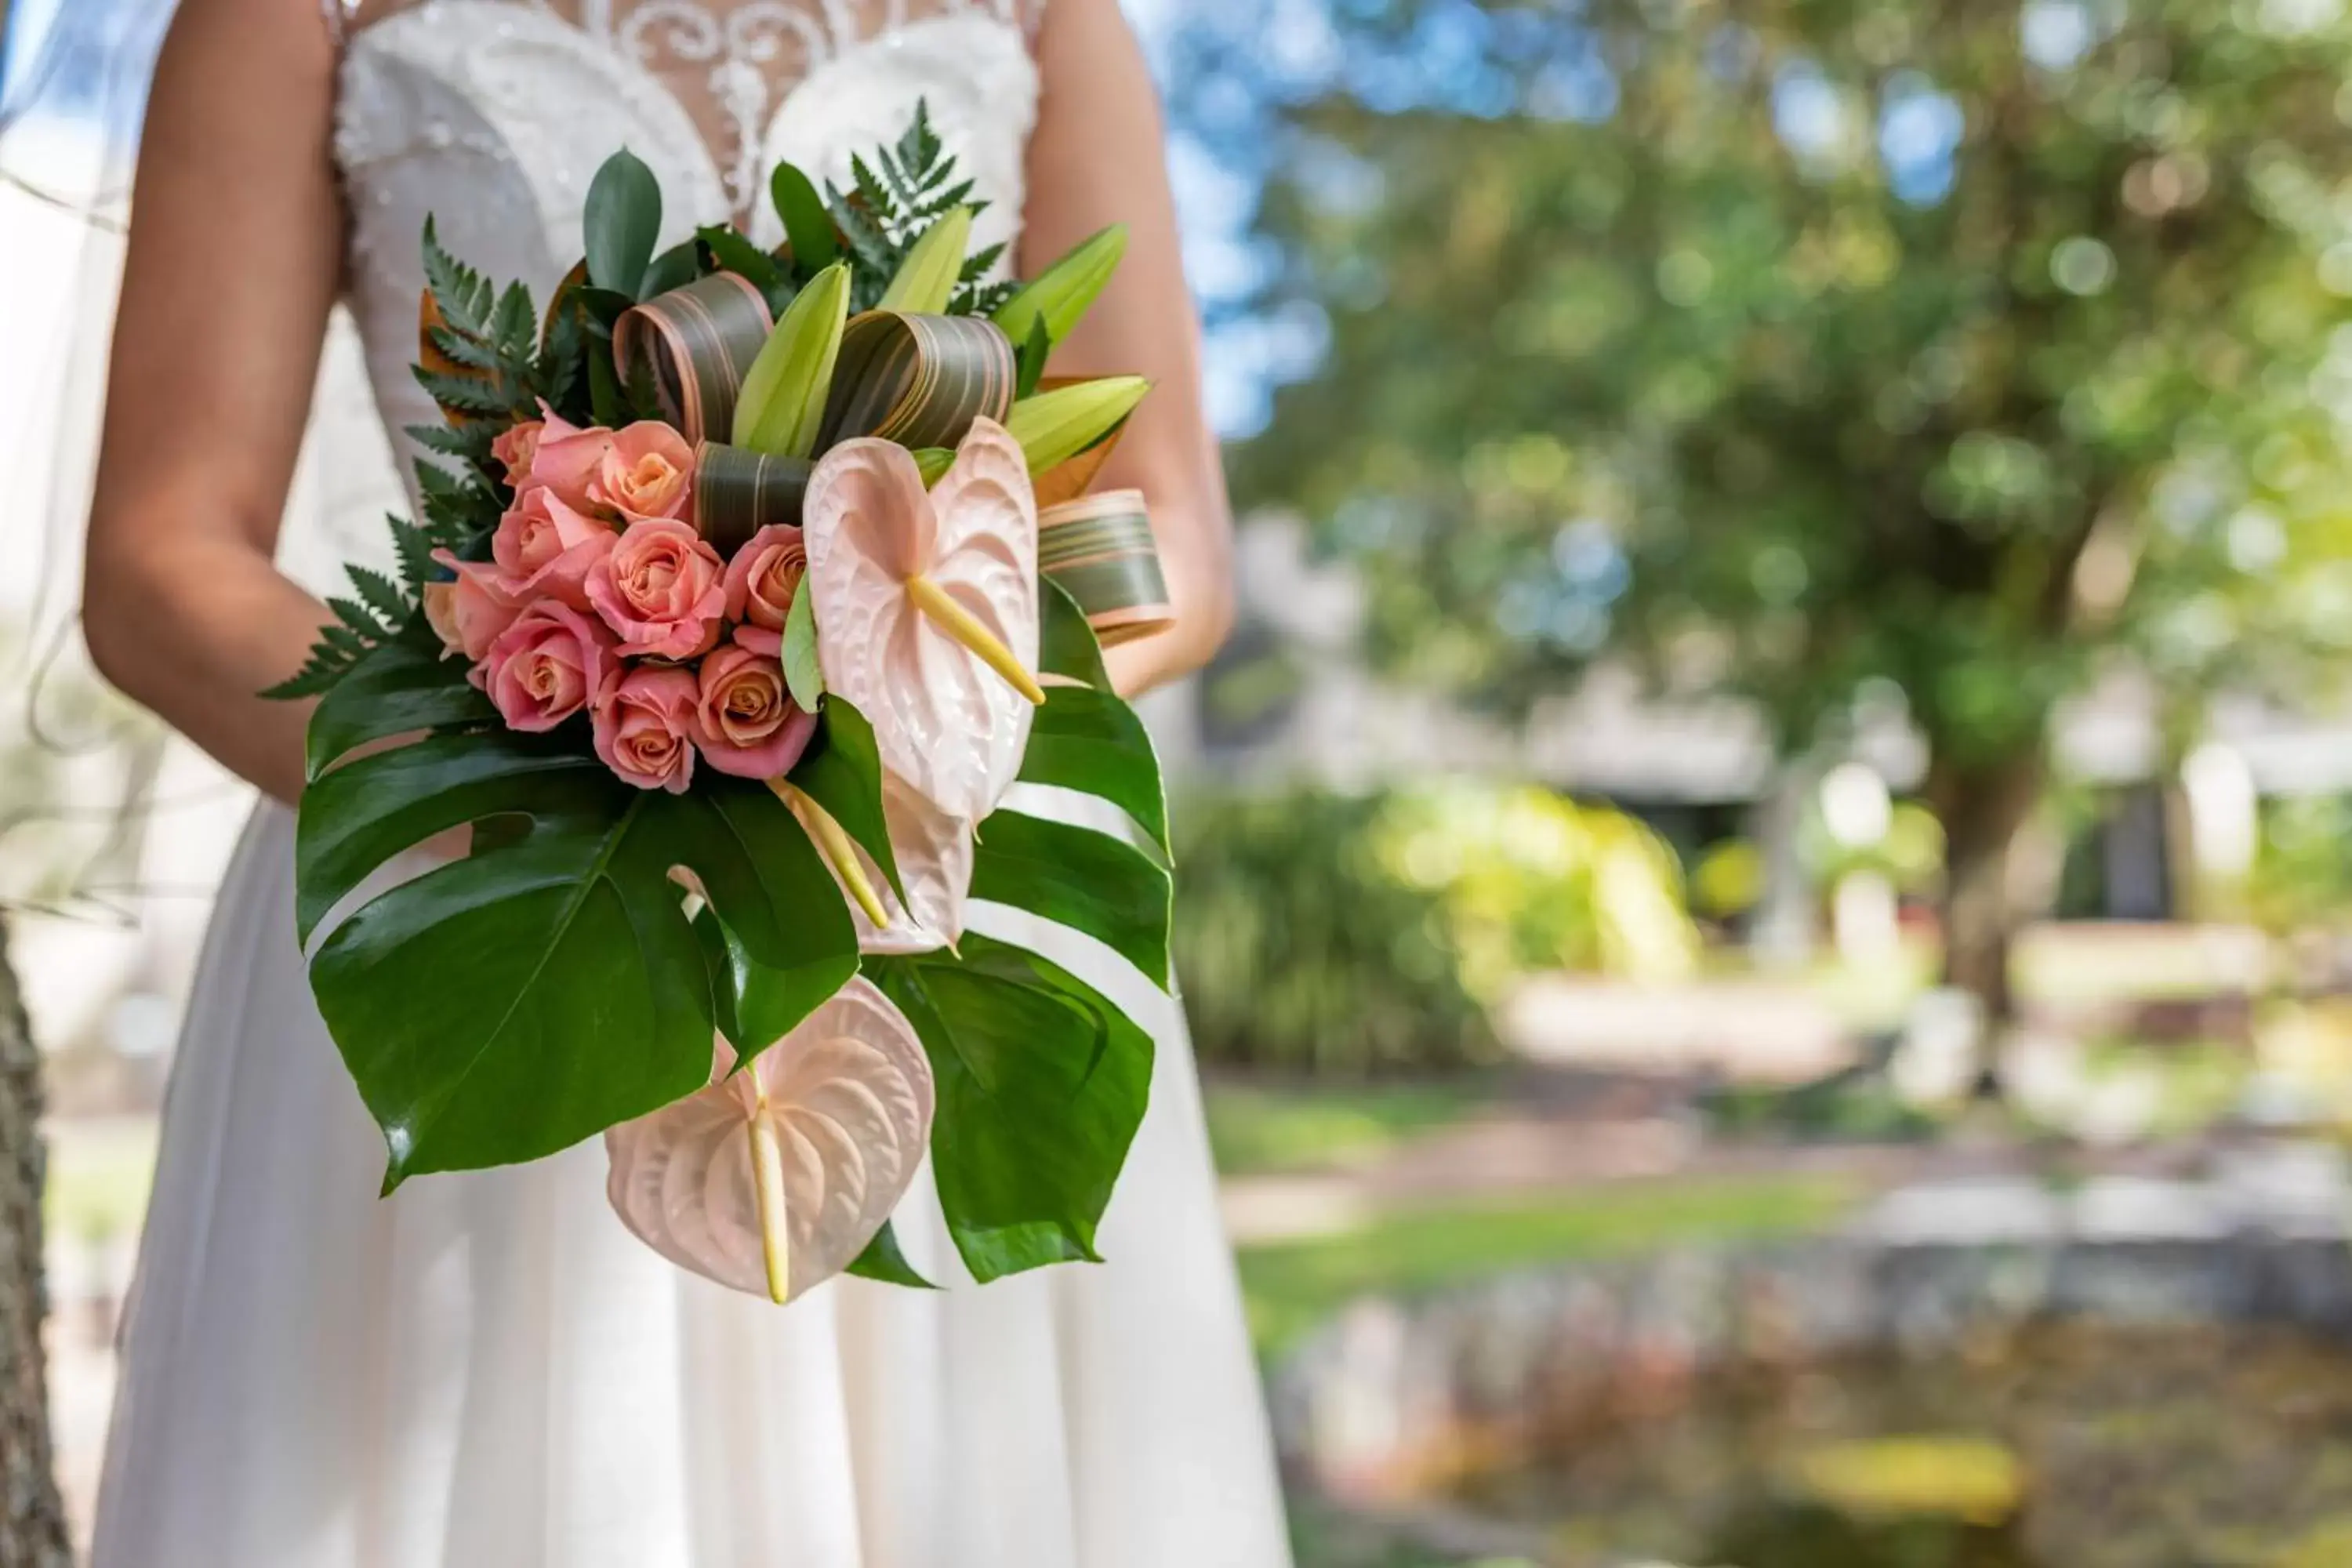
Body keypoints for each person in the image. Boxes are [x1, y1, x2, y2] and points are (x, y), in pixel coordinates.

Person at [70, 2, 1292, 1563]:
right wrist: (531, 780)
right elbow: (162, 558)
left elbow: (1164, 540)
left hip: (915, 885)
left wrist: (872, 750)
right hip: (487, 901)